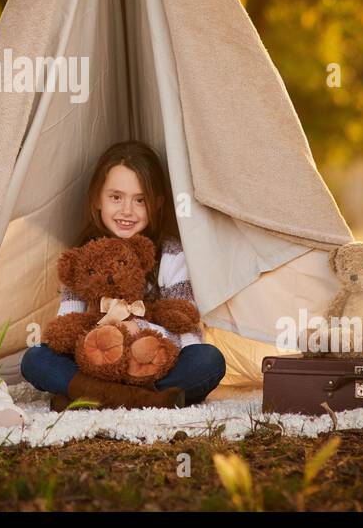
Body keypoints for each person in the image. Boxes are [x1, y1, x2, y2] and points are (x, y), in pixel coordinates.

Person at [20, 140, 227, 410]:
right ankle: (141, 401)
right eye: (116, 197)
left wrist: (137, 329)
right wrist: (103, 333)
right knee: (36, 359)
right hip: (96, 362)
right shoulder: (83, 255)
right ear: (97, 199)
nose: (127, 210)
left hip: (152, 368)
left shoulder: (170, 254)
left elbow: (188, 335)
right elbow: (66, 326)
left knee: (207, 360)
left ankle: (92, 396)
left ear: (158, 204)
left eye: (140, 200)